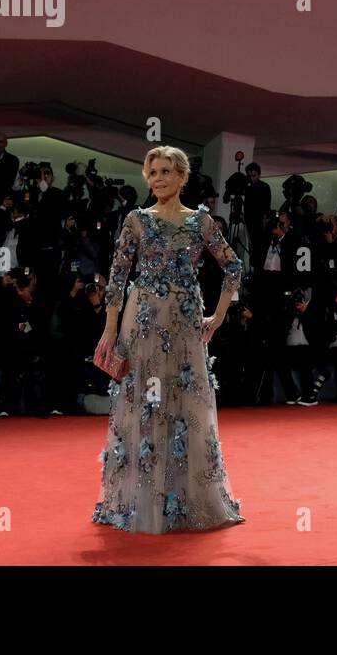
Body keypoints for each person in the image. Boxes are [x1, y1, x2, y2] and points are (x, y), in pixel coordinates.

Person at [92, 146, 244, 533]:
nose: (157, 178)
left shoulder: (201, 223)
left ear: (182, 177)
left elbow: (233, 266)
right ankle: (139, 501)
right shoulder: (136, 221)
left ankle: (186, 501)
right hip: (141, 321)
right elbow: (116, 279)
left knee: (186, 403)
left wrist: (220, 315)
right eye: (152, 172)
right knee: (145, 403)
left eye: (165, 172)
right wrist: (110, 331)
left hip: (186, 322)